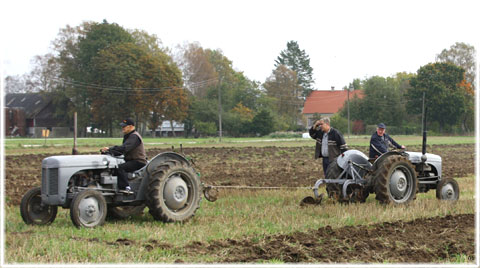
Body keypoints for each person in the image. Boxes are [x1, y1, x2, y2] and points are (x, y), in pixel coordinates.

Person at [101, 118, 147, 194]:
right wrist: (109, 152)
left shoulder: (134, 136)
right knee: (112, 168)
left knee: (120, 168)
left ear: (131, 126)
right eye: (122, 126)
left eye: (124, 126)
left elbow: (124, 148)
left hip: (138, 161)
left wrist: (110, 148)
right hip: (130, 160)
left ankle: (125, 188)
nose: (123, 128)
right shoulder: (128, 136)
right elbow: (120, 151)